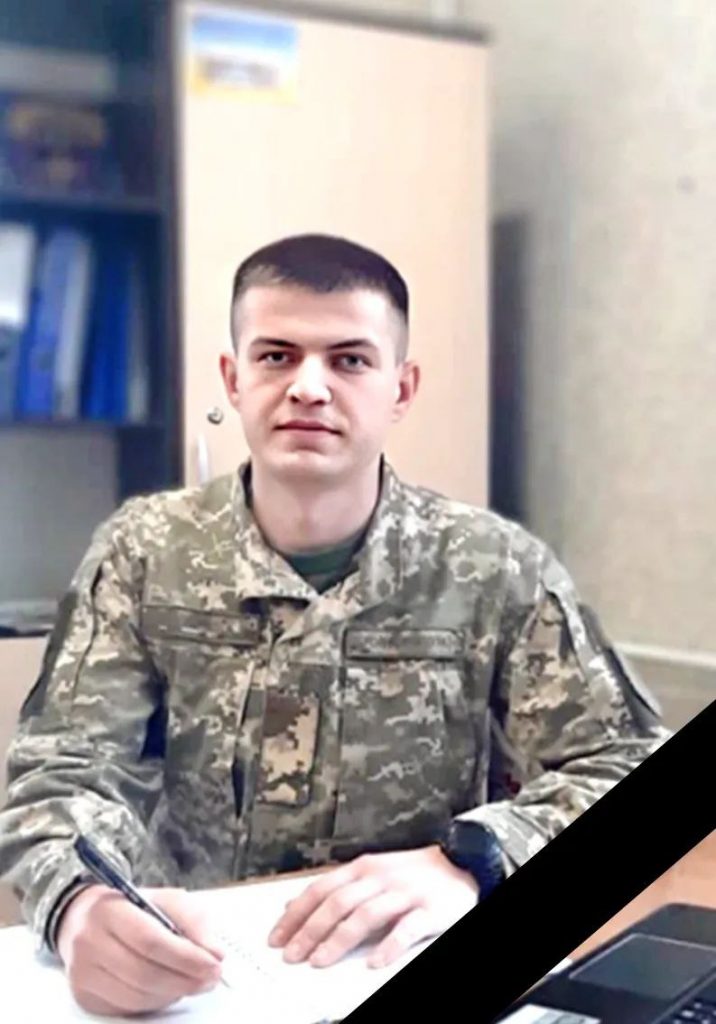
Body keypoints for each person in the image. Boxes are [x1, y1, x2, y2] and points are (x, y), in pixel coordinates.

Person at [0, 233, 668, 1017]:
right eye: (276, 356)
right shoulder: (145, 552)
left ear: (401, 389)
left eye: (349, 360)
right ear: (234, 379)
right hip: (196, 967)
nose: (309, 388)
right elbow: (62, 769)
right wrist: (80, 908)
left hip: (403, 952)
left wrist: (474, 860)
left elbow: (625, 760)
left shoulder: (493, 566)